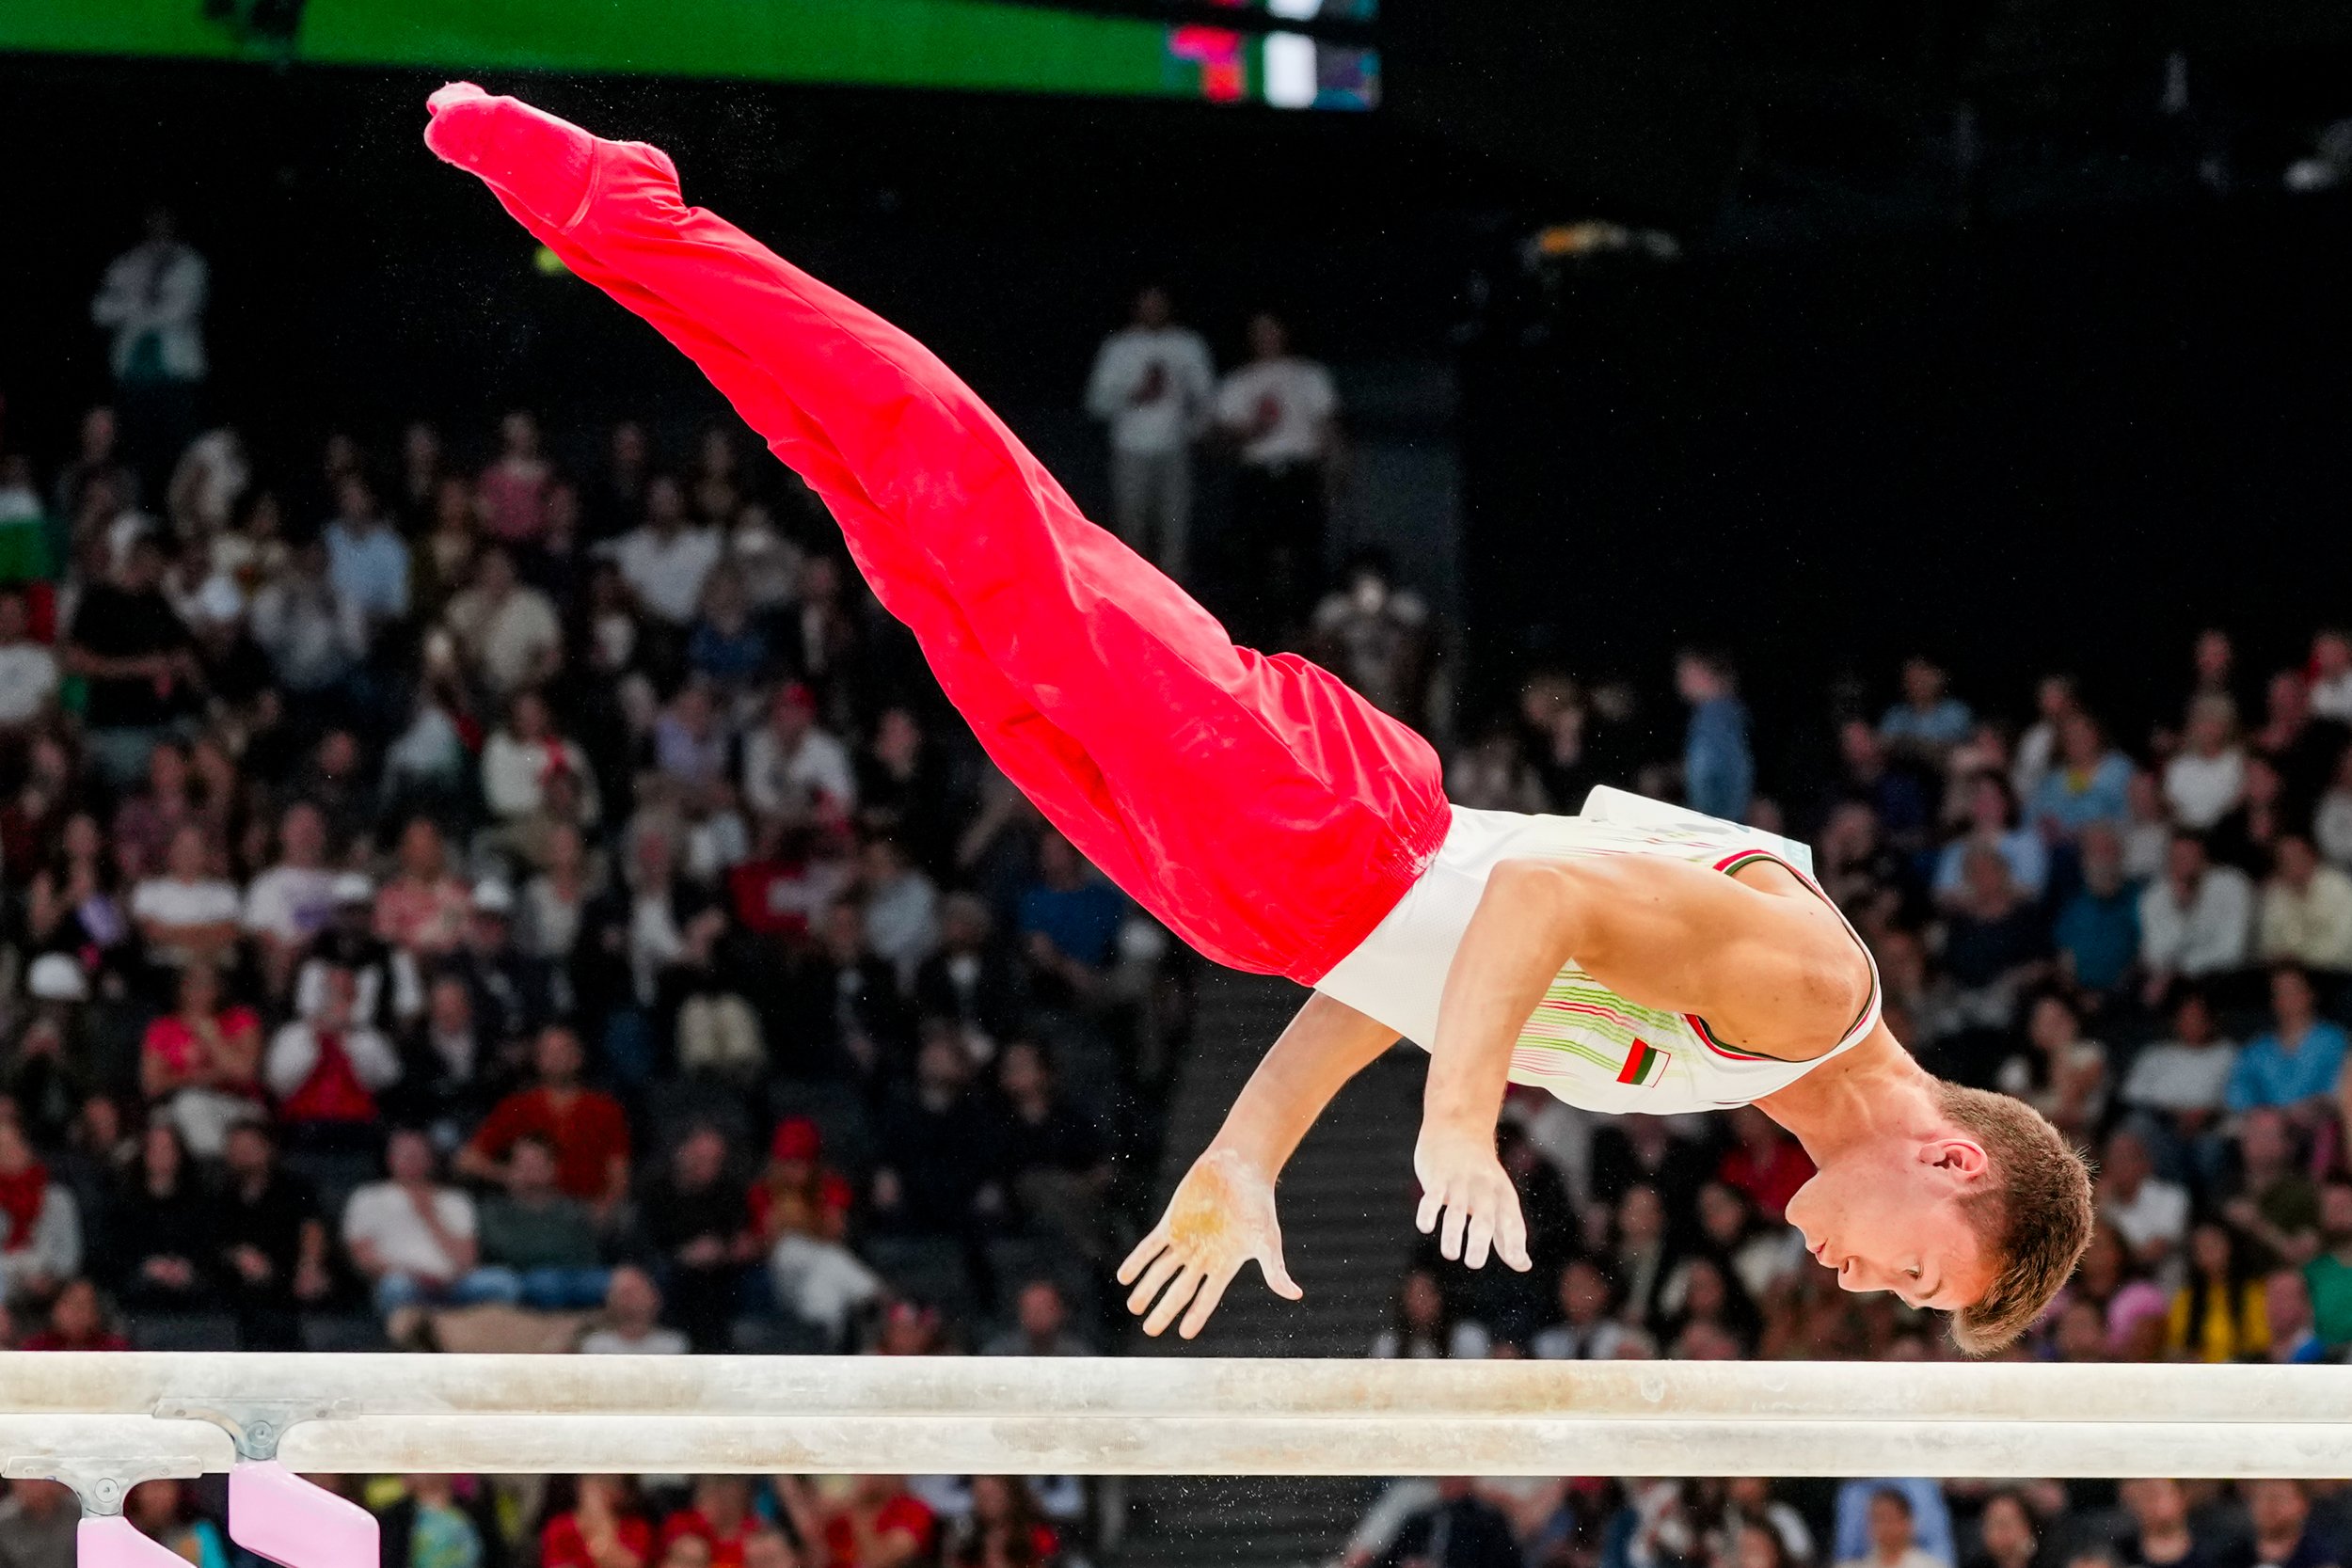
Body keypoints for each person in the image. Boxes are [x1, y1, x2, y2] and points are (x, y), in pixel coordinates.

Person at [424, 86, 2093, 1355]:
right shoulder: (1809, 988)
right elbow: (1532, 894)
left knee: (901, 540)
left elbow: (1412, 980)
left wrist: (1247, 1153)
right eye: (1919, 1278)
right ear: (1952, 1164)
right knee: (969, 497)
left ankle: (633, 256)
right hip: (1330, 823)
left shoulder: (1754, 1079)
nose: (1870, 1286)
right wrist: (1462, 1119)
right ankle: (629, 206)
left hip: (1263, 900)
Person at [1085, 285, 1215, 581]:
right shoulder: (1119, 347)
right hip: (1130, 449)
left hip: (1175, 449)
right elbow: (1096, 402)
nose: (1152, 309)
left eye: (1158, 303)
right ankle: (1134, 598)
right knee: (1131, 528)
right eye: (1146, 303)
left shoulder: (1187, 343)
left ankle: (1177, 606)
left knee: (1176, 531)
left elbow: (1206, 397)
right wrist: (1134, 395)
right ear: (1136, 307)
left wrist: (1194, 430)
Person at [90, 207, 208, 485]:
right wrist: (147, 306)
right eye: (153, 224)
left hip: (175, 378)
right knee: (137, 456)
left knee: (180, 455)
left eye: (165, 224)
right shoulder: (128, 263)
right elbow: (100, 310)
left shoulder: (189, 263)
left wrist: (132, 309)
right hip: (133, 378)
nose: (159, 230)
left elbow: (182, 309)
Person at [1677, 649, 1755, 825]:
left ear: (1707, 672)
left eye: (1687, 671)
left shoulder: (1714, 716)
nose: (1680, 679)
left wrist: (1711, 819)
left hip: (1717, 821)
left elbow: (1713, 772)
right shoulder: (1728, 713)